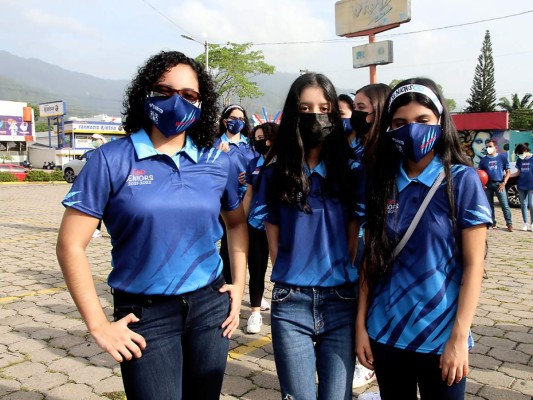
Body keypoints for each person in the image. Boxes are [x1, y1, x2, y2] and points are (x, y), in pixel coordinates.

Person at [56, 50, 248, 400]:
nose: (177, 101)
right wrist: (97, 325)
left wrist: (239, 285)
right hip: (145, 315)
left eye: (189, 95)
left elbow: (236, 226)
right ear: (145, 94)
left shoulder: (217, 162)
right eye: (164, 90)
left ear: (201, 104)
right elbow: (70, 245)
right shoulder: (110, 160)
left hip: (210, 306)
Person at [356, 78, 492, 400]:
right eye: (400, 122)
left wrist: (458, 338)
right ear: (389, 128)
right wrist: (361, 327)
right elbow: (370, 261)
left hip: (440, 338)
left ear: (441, 122)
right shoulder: (380, 182)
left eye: (423, 120)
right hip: (385, 333)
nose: (412, 129)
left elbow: (474, 266)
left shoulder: (462, 181)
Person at [262, 72, 364, 399]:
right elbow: (271, 227)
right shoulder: (275, 171)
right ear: (293, 114)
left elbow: (354, 232)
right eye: (305, 109)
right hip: (291, 301)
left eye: (323, 107)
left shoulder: (352, 170)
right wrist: (290, 269)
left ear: (334, 113)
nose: (315, 116)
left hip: (342, 300)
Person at [347, 83, 391, 391]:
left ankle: (371, 365)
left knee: (371, 299)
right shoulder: (356, 146)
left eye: (361, 109)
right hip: (352, 233)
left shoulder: (387, 152)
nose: (355, 115)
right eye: (354, 108)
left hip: (373, 237)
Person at [242, 122, 279, 334]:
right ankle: (255, 312)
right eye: (255, 137)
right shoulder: (254, 163)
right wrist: (240, 221)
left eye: (263, 137)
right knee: (256, 269)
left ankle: (280, 308)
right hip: (255, 224)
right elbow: (248, 194)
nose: (260, 141)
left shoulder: (286, 163)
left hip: (279, 226)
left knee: (279, 269)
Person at [214, 104, 257, 284]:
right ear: (225, 121)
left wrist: (248, 178)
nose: (237, 122)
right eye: (233, 118)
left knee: (250, 246)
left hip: (248, 201)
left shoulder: (252, 144)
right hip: (225, 204)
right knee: (228, 246)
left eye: (241, 119)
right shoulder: (216, 144)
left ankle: (252, 288)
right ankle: (227, 284)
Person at [478, 140, 513, 231]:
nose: (488, 148)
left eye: (490, 146)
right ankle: (492, 222)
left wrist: (504, 182)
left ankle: (509, 224)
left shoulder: (502, 158)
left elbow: (508, 172)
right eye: (487, 147)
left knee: (504, 205)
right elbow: (480, 173)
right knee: (489, 205)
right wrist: (482, 184)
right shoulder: (484, 160)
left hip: (499, 183)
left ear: (495, 147)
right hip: (488, 185)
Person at [88, 133, 108, 238]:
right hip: (97, 184)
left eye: (95, 139)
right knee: (96, 208)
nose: (93, 141)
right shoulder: (96, 152)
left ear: (101, 140)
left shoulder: (107, 151)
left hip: (106, 184)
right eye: (92, 139)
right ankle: (96, 229)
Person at [510, 143, 533, 231]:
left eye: (520, 153)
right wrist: (508, 176)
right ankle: (525, 223)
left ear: (525, 150)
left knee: (531, 204)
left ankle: (532, 223)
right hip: (521, 184)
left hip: (531, 185)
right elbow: (518, 172)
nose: (519, 155)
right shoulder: (519, 160)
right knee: (523, 204)